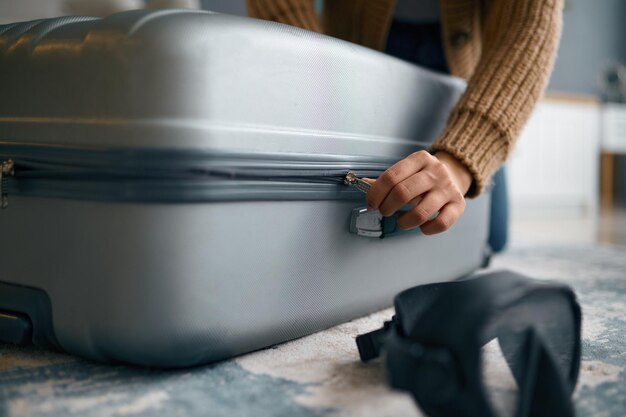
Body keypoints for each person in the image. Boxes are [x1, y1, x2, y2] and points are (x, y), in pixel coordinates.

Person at [247, 0, 562, 247]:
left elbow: (530, 23)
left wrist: (461, 163)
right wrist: (314, 67)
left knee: (491, 237)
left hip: (466, 82)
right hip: (348, 60)